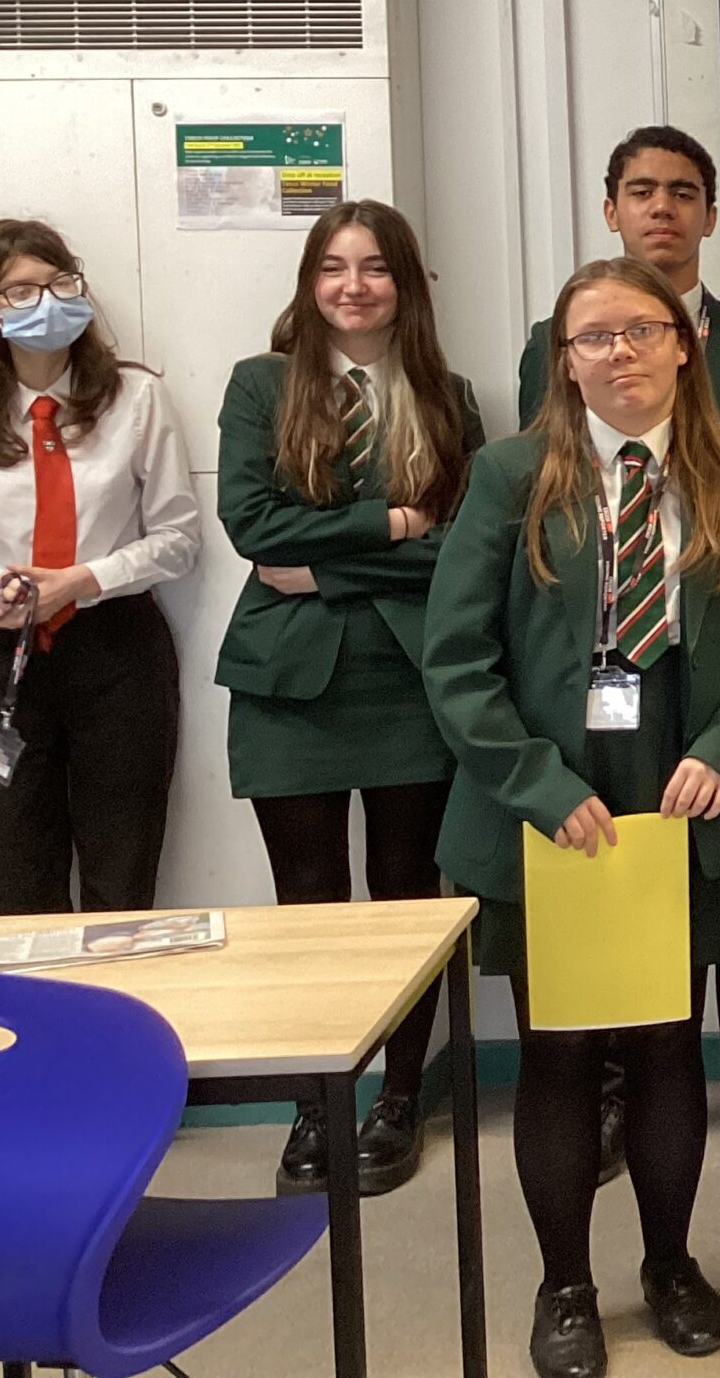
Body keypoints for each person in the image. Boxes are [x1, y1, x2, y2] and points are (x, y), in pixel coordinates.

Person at [425, 257, 720, 1378]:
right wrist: (541, 787)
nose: (622, 352)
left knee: (668, 1051)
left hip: (678, 809)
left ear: (683, 346)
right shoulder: (510, 476)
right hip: (552, 817)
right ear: (565, 360)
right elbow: (457, 664)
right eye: (595, 336)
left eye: (644, 329)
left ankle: (672, 1266)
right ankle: (565, 1287)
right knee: (558, 1057)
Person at [517, 125, 720, 1179]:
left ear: (711, 214)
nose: (661, 208)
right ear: (611, 208)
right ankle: (610, 1095)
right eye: (640, 190)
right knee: (604, 883)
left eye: (683, 191)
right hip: (594, 695)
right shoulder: (556, 344)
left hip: (712, 683)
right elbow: (547, 507)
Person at [215, 201, 483, 1200]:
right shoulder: (262, 384)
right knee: (309, 906)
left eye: (374, 267)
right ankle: (316, 1103)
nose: (353, 286)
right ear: (310, 281)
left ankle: (399, 1099)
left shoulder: (447, 397)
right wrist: (392, 526)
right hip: (290, 686)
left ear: (405, 285)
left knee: (407, 900)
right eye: (333, 266)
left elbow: (463, 549)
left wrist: (325, 565)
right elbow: (252, 525)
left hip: (411, 680)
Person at [0, 219, 198, 916]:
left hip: (116, 649)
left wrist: (84, 579)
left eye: (60, 283)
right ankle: (37, 997)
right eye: (20, 291)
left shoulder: (136, 397)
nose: (46, 303)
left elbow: (178, 537)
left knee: (121, 881)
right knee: (21, 882)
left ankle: (117, 992)